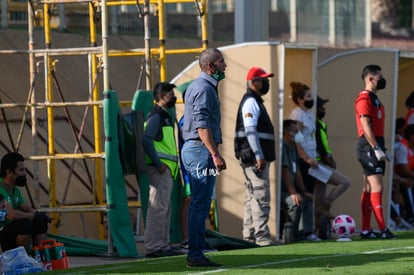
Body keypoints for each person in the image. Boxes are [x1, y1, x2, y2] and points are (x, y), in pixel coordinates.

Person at [181, 48, 226, 267]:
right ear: (210, 66)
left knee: (201, 202)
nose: (224, 65)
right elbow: (201, 124)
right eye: (221, 62)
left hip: (199, 151)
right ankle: (195, 254)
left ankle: (196, 251)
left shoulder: (200, 87)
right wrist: (214, 153)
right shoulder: (204, 89)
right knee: (200, 203)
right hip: (200, 152)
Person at [234, 67, 276, 246]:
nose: (266, 83)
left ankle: (250, 236)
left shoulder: (254, 101)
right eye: (262, 79)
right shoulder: (251, 102)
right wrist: (259, 155)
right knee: (260, 196)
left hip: (251, 156)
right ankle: (261, 237)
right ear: (253, 82)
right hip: (253, 158)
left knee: (252, 197)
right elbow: (251, 131)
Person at [354, 64, 396, 239]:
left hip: (375, 144)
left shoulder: (374, 98)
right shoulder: (364, 99)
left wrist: (382, 147)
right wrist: (376, 147)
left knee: (369, 187)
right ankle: (383, 229)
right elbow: (365, 125)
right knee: (377, 186)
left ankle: (365, 229)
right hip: (368, 145)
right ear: (370, 79)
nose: (382, 79)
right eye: (379, 77)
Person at [142, 81, 182, 258]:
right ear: (160, 96)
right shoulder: (156, 116)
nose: (173, 96)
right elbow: (146, 139)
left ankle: (162, 245)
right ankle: (154, 246)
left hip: (166, 171)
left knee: (164, 208)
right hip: (160, 170)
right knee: (158, 208)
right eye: (170, 93)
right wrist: (158, 164)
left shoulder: (163, 116)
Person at [287, 82, 321, 241]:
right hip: (304, 160)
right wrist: (306, 158)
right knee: (305, 193)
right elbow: (298, 139)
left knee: (310, 193)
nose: (311, 99)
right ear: (300, 99)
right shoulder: (298, 114)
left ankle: (308, 229)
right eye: (308, 97)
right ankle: (304, 231)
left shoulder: (308, 113)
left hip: (312, 158)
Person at [0, 152, 49, 253]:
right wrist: (29, 216)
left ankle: (38, 255)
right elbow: (10, 214)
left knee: (41, 219)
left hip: (10, 232)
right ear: (9, 172)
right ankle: (24, 259)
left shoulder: (15, 190)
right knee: (24, 223)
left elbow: (26, 208)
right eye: (21, 170)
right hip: (2, 233)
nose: (25, 173)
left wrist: (38, 215)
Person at [314, 96, 350, 221]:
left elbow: (325, 144)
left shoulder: (321, 124)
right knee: (345, 182)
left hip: (322, 162)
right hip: (316, 163)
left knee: (318, 198)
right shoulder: (314, 124)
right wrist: (326, 158)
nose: (323, 109)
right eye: (321, 107)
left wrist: (330, 157)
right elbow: (319, 144)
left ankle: (317, 229)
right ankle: (327, 204)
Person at [280, 119, 314, 243]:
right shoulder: (283, 146)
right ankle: (292, 234)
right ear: (287, 133)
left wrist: (304, 191)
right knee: (294, 202)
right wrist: (293, 192)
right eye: (296, 131)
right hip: (282, 192)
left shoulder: (293, 147)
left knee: (307, 200)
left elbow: (297, 170)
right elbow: (285, 170)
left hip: (292, 189)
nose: (299, 134)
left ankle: (306, 232)